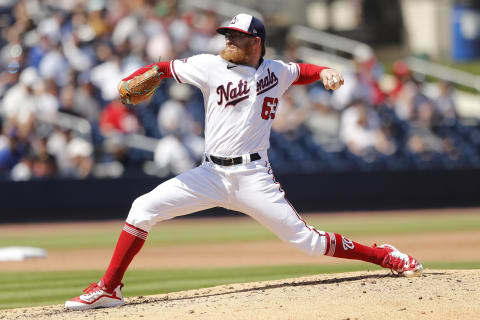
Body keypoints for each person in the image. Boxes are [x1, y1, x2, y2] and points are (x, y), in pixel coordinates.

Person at [65, 13, 423, 310]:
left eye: (235, 37)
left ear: (256, 42)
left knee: (307, 243)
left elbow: (302, 71)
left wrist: (325, 71)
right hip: (210, 173)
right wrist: (138, 77)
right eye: (226, 36)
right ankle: (109, 288)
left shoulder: (276, 71)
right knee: (142, 207)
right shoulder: (208, 66)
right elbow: (162, 67)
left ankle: (384, 255)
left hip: (252, 175)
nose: (228, 43)